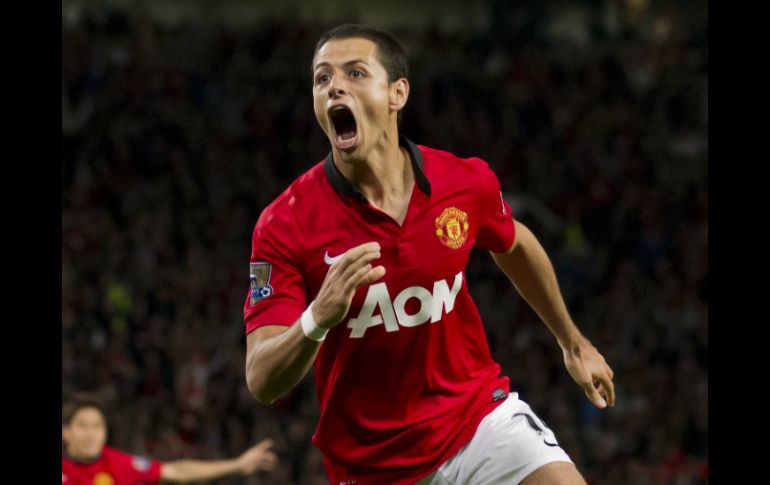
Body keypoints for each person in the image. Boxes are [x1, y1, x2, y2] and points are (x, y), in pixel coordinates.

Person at [243, 24, 615, 485]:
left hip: (476, 422)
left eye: (355, 72)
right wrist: (317, 318)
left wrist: (572, 342)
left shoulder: (463, 182)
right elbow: (262, 379)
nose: (334, 86)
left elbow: (514, 243)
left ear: (397, 93)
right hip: (372, 466)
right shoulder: (284, 223)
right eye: (322, 78)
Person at [61, 392, 277, 484]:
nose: (91, 434)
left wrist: (237, 465)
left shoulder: (117, 464)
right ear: (66, 432)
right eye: (83, 426)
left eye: (97, 427)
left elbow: (176, 471)